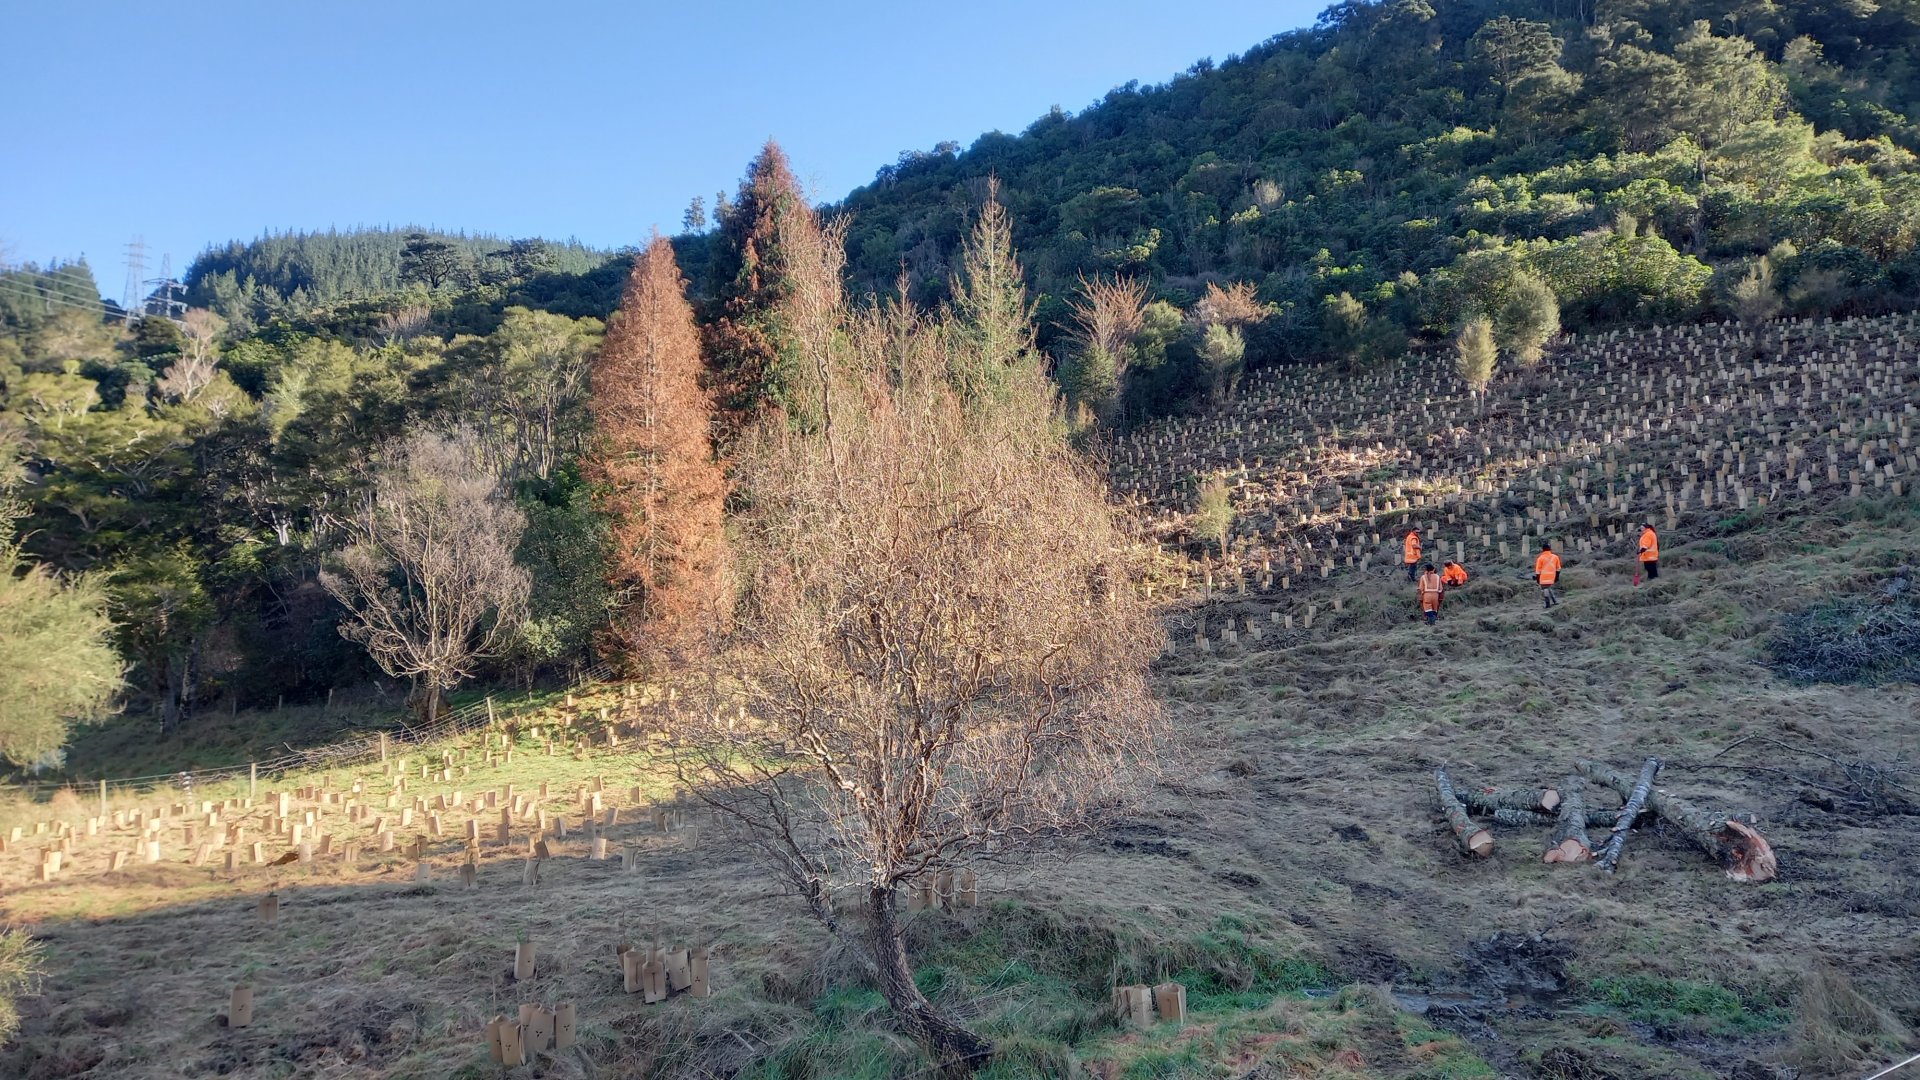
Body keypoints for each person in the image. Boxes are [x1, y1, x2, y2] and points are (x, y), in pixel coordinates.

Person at [1534, 542, 1562, 609]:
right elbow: (1558, 568)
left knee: (1545, 589)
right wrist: (1557, 577)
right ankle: (1555, 601)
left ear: (1542, 549)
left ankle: (1548, 604)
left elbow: (1538, 571)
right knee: (1548, 587)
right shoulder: (1555, 557)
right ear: (1550, 549)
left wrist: (1538, 579)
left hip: (1543, 577)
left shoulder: (1540, 558)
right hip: (1552, 576)